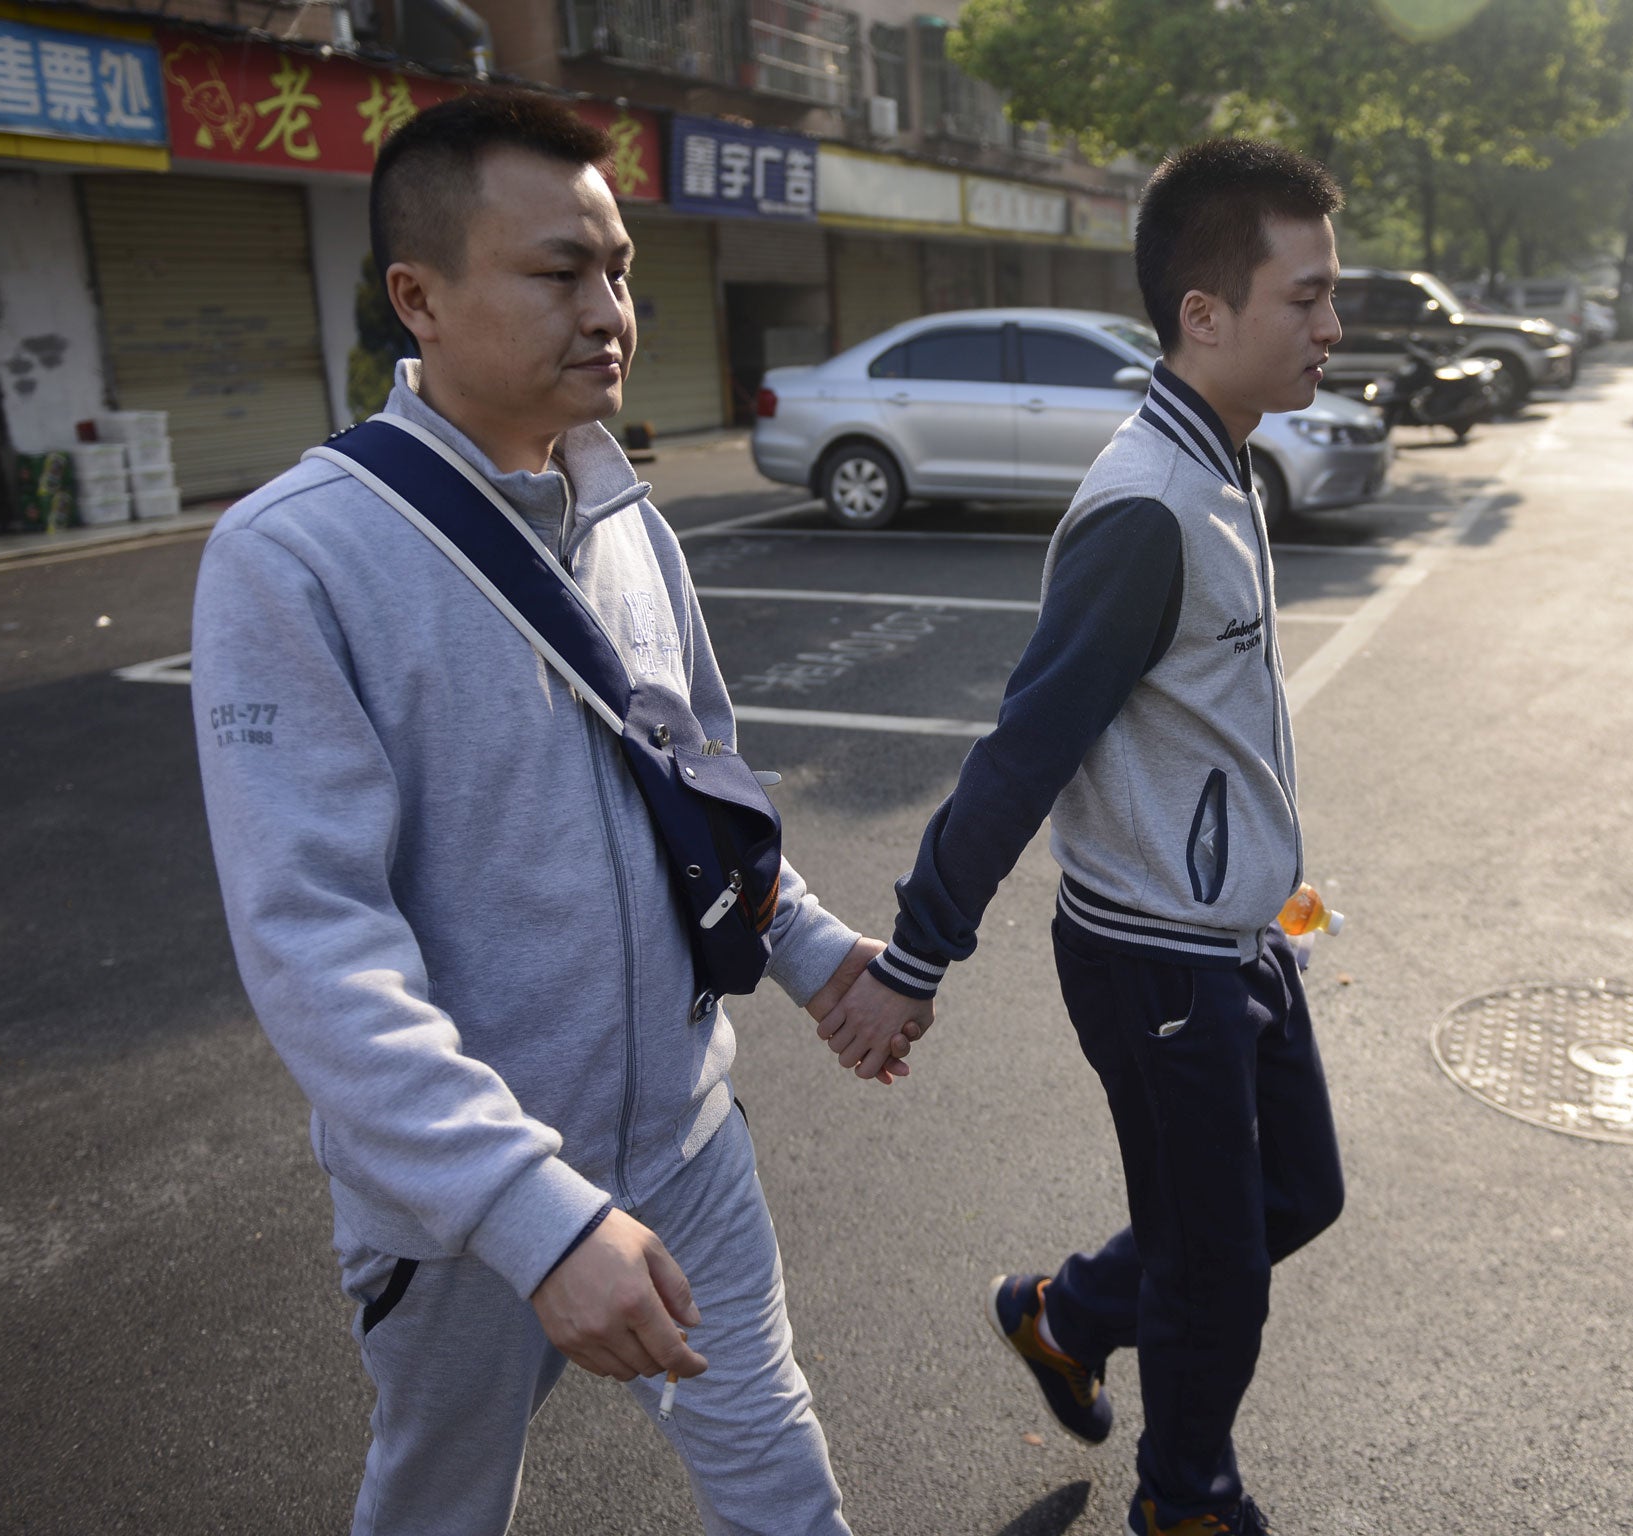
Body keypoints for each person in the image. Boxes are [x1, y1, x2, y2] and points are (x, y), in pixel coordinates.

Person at [190, 93, 908, 1536]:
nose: (611, 310)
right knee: (441, 1505)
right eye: (557, 273)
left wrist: (816, 951)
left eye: (622, 269)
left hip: (690, 1151)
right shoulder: (294, 561)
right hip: (461, 1215)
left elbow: (699, 769)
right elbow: (318, 953)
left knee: (779, 1469)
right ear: (420, 298)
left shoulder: (624, 514)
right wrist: (533, 1214)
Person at [817, 139, 1349, 1536]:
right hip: (1155, 964)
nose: (1332, 327)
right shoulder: (1146, 509)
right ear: (1205, 315)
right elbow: (1022, 754)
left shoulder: (1221, 460)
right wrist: (911, 964)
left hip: (1231, 934)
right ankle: (1185, 1497)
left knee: (1297, 1190)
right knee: (1217, 1264)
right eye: (1308, 298)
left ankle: (1064, 1314)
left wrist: (1271, 879)